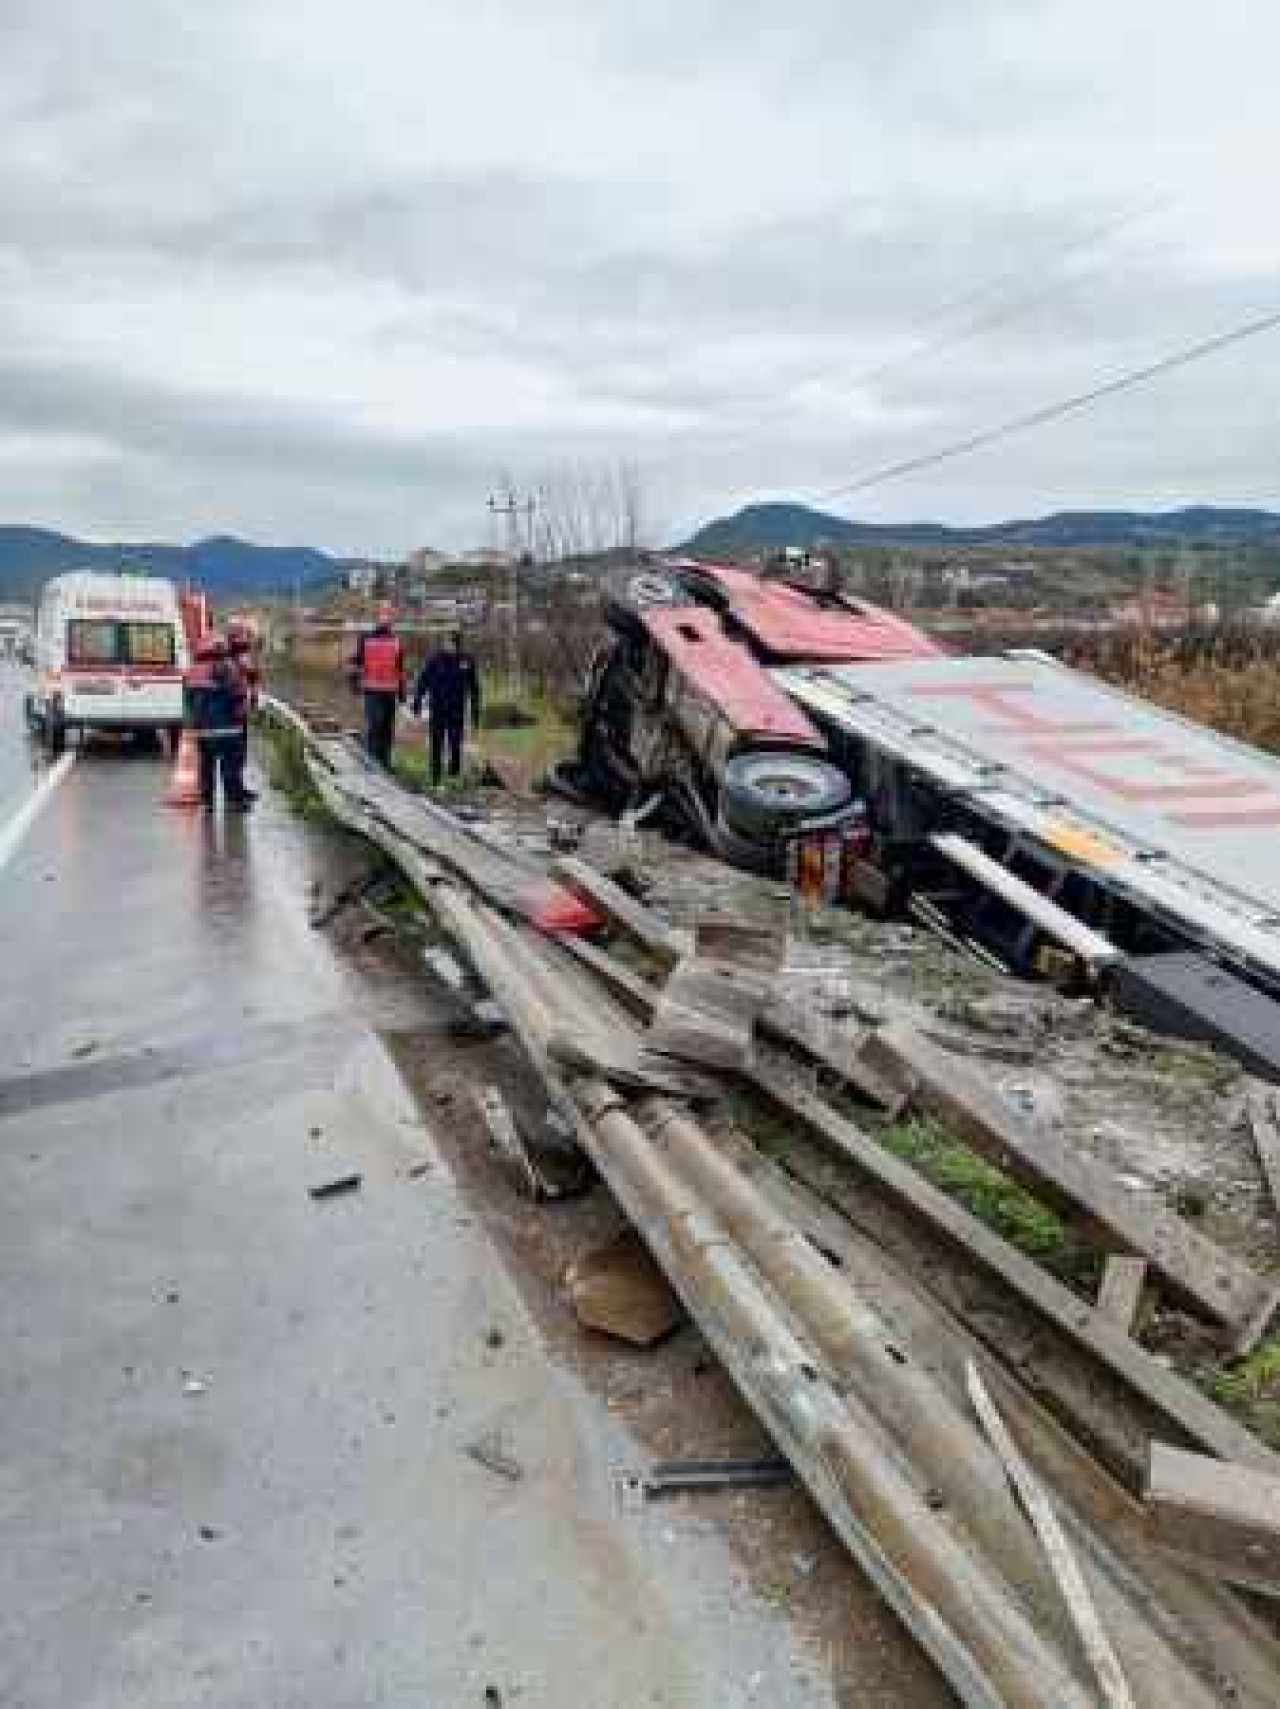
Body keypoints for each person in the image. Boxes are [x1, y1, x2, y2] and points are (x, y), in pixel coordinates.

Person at [184, 633, 253, 810]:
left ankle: (207, 803)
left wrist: (194, 722)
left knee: (206, 768)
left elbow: (188, 700)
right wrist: (241, 710)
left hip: (203, 730)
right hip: (228, 728)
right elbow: (237, 694)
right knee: (230, 767)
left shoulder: (192, 671)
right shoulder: (226, 668)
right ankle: (234, 801)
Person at [412, 629, 482, 787]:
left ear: (459, 644)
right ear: (444, 643)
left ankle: (453, 776)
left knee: (455, 744)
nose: (451, 646)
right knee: (436, 744)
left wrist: (476, 712)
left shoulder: (466, 661)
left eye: (454, 643)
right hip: (437, 709)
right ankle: (435, 777)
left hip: (457, 710)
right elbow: (422, 682)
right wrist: (417, 703)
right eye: (448, 643)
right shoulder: (434, 660)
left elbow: (474, 688)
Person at [348, 602, 405, 768]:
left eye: (390, 614)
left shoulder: (396, 641)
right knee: (375, 725)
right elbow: (356, 661)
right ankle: (372, 763)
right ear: (377, 617)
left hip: (390, 692)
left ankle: (384, 763)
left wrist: (401, 691)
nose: (386, 618)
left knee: (387, 729)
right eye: (383, 614)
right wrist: (353, 682)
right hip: (372, 690)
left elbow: (399, 667)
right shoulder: (365, 638)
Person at [226, 615, 260, 801]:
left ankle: (238, 788)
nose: (246, 637)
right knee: (234, 753)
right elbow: (246, 677)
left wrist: (253, 698)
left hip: (241, 708)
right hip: (233, 709)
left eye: (246, 634)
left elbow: (253, 679)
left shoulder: (243, 654)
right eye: (242, 633)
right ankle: (234, 792)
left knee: (240, 752)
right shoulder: (231, 655)